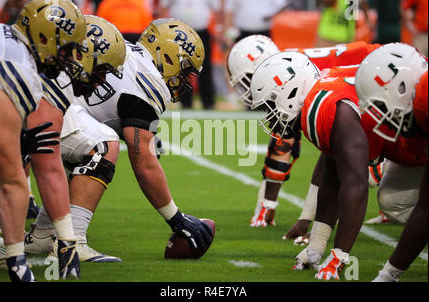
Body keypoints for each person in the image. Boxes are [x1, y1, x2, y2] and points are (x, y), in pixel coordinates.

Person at [29, 18, 214, 262]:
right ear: (168, 58)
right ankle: (73, 242)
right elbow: (144, 165)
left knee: (82, 148)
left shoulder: (133, 56)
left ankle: (43, 234)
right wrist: (176, 218)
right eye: (184, 70)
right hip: (49, 106)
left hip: (42, 100)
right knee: (102, 145)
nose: (183, 81)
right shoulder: (149, 81)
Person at [249, 49, 412, 280]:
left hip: (416, 137)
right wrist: (317, 245)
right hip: (405, 139)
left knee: (396, 200)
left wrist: (339, 256)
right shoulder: (320, 96)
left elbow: (355, 185)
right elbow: (330, 177)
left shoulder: (322, 106)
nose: (271, 114)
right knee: (392, 198)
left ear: (290, 90)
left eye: (272, 103)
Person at [0, 0, 88, 281]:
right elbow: (13, 184)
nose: (69, 59)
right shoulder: (18, 72)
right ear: (42, 38)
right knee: (4, 170)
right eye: (65, 49)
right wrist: (18, 263)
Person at [24, 15, 127, 263]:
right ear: (80, 55)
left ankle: (38, 235)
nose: (102, 80)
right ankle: (71, 240)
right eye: (101, 70)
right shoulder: (55, 81)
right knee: (99, 144)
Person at [354, 44, 428, 281]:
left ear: (404, 87)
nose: (382, 114)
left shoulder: (424, 98)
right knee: (393, 199)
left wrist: (387, 276)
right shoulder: (418, 101)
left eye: (382, 105)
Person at [158, 0, 219, 110]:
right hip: (179, 33)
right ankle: (185, 102)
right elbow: (163, 7)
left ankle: (208, 102)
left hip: (201, 32)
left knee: (204, 68)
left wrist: (219, 28)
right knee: (180, 67)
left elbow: (217, 8)